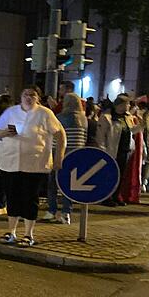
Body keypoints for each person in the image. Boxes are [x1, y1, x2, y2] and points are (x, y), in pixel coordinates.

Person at [0, 86, 66, 246]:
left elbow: (60, 134)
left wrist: (59, 157)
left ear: (38, 98)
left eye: (32, 95)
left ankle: (28, 234)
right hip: (11, 163)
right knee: (13, 198)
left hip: (35, 165)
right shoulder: (11, 112)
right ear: (20, 96)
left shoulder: (44, 113)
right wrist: (5, 133)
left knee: (30, 198)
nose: (28, 97)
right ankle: (11, 231)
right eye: (25, 94)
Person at [42, 93, 87, 224]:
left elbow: (55, 136)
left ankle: (52, 210)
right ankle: (66, 212)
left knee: (53, 183)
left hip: (60, 153)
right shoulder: (83, 119)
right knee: (69, 184)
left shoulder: (61, 117)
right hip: (76, 154)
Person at [95, 94, 144, 206]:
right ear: (120, 105)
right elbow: (101, 136)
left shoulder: (127, 117)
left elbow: (132, 131)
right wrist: (103, 150)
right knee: (110, 175)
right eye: (127, 104)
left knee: (121, 175)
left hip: (125, 150)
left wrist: (141, 124)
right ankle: (107, 197)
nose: (128, 106)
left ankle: (117, 196)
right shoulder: (107, 117)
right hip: (111, 150)